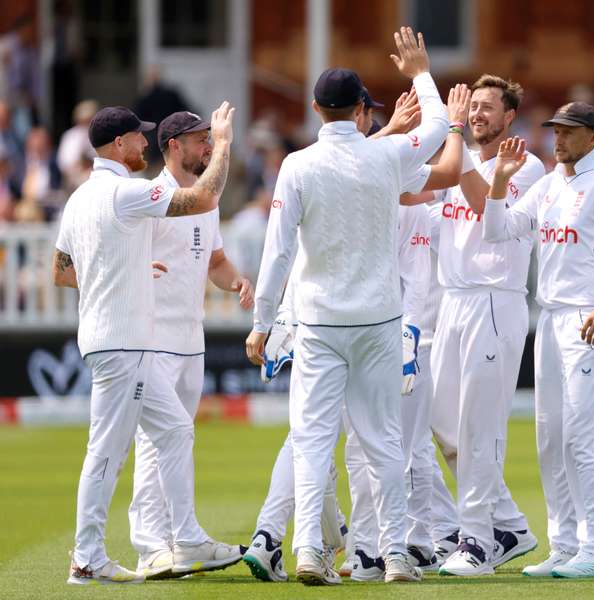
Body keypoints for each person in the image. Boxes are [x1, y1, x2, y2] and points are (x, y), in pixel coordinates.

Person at [244, 27, 447, 585]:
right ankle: (397, 556)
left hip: (319, 321)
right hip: (379, 318)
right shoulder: (385, 156)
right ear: (361, 108)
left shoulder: (298, 165)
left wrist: (262, 323)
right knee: (384, 440)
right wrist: (420, 72)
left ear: (315, 109)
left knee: (312, 438)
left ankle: (309, 549)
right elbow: (438, 127)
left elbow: (278, 250)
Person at [53, 102, 235, 584]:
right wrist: (225, 144)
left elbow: (61, 272)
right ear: (119, 145)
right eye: (138, 138)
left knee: (175, 431)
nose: (143, 144)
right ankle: (87, 559)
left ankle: (188, 538)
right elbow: (201, 198)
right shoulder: (126, 192)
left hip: (111, 340)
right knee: (107, 452)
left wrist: (127, 269)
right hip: (125, 341)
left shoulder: (79, 199)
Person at [482, 102, 594, 578]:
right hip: (551, 317)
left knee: (581, 434)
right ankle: (565, 544)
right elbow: (498, 230)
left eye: (569, 132)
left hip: (588, 316)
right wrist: (500, 179)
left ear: (593, 138)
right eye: (555, 130)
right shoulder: (548, 185)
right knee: (549, 438)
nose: (558, 139)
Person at [127, 110, 253, 579]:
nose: (207, 147)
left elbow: (215, 260)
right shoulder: (153, 196)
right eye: (201, 140)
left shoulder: (207, 202)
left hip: (190, 338)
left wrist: (236, 279)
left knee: (177, 443)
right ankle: (151, 546)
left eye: (209, 140)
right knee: (155, 442)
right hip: (152, 338)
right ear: (174, 145)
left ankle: (176, 542)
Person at [430, 74, 545, 577]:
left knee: (480, 427)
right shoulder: (457, 158)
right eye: (471, 106)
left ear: (508, 117)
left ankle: (476, 540)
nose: (477, 114)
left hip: (494, 301)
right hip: (451, 301)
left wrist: (452, 129)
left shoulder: (525, 164)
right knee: (445, 426)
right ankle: (510, 527)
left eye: (486, 108)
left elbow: (482, 204)